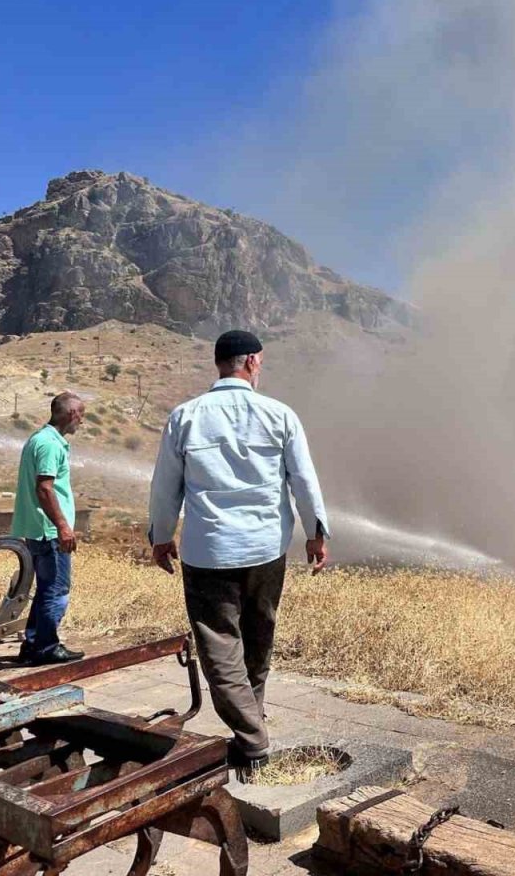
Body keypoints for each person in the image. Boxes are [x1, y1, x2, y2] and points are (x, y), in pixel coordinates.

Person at [148, 329, 329, 781]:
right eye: (261, 362)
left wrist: (161, 535)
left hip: (209, 551)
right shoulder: (279, 414)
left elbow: (165, 486)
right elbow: (303, 480)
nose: (261, 369)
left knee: (220, 648)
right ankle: (254, 733)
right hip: (267, 549)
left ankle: (252, 738)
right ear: (250, 362)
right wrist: (316, 533)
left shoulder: (184, 417)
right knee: (257, 638)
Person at [13, 391, 87, 665]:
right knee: (57, 589)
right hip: (49, 531)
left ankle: (33, 644)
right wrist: (63, 527)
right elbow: (44, 488)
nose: (82, 422)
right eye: (82, 415)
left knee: (46, 588)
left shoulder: (40, 438)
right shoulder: (50, 445)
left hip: (40, 529)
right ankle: (47, 647)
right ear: (71, 414)